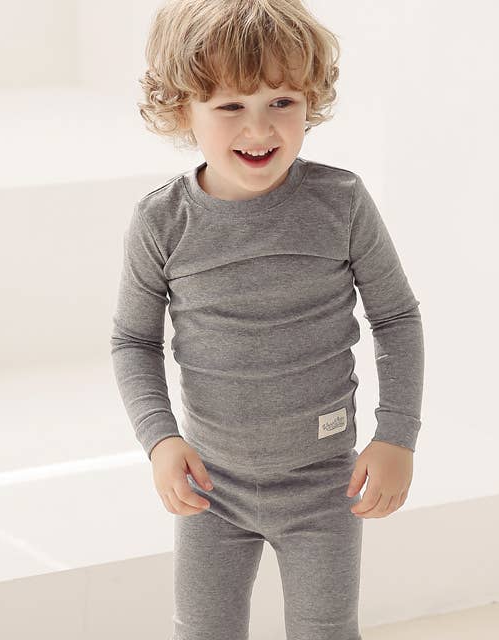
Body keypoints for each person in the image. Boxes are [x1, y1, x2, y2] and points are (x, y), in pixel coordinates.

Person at [110, 1, 424, 638]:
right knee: (203, 629)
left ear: (311, 99)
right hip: (210, 487)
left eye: (282, 101)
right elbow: (133, 340)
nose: (260, 128)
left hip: (325, 486)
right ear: (182, 109)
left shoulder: (341, 201)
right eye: (230, 106)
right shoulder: (161, 221)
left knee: (325, 629)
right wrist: (160, 441)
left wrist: (397, 435)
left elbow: (395, 317)